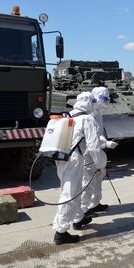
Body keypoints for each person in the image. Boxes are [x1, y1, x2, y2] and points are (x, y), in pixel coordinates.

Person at [52, 92, 107, 245]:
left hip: (60, 158)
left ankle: (78, 219)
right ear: (89, 102)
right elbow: (94, 148)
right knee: (70, 194)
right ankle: (60, 232)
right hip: (74, 160)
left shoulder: (67, 115)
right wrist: (101, 165)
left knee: (69, 190)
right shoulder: (87, 119)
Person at [78, 86, 118, 218]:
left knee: (98, 179)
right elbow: (92, 137)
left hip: (96, 149)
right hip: (88, 153)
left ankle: (95, 204)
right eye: (103, 99)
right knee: (87, 182)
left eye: (107, 99)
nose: (105, 102)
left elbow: (98, 133)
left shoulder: (99, 113)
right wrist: (106, 143)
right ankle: (84, 209)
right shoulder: (89, 114)